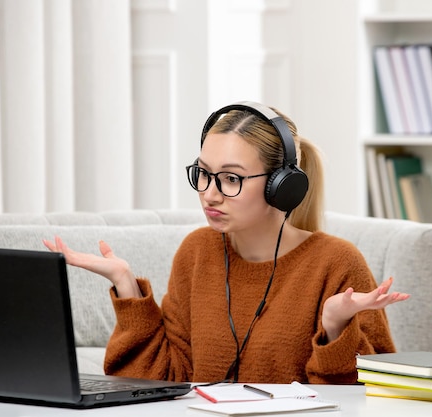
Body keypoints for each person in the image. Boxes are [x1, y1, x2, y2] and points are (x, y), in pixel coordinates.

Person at [44, 101, 409, 384]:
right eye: (203, 174)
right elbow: (165, 380)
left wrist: (335, 328)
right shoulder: (197, 252)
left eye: (230, 179)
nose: (210, 195)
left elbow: (371, 399)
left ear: (281, 186)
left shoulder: (338, 263)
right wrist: (126, 288)